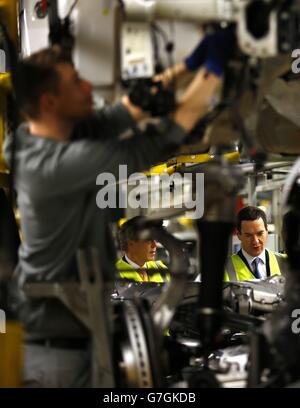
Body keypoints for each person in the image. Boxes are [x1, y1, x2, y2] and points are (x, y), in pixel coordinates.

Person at [3, 28, 233, 387]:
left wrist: (186, 67)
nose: (87, 88)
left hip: (75, 339)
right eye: (76, 82)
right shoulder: (58, 166)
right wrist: (215, 71)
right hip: (61, 359)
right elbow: (154, 144)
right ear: (49, 102)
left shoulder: (31, 138)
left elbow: (121, 113)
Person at [224, 206, 287, 281]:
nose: (255, 241)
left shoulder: (288, 262)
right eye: (248, 235)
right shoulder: (225, 268)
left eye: (260, 233)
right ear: (238, 235)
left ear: (267, 231)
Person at [116, 216, 168, 283]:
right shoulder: (115, 274)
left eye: (155, 239)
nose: (154, 245)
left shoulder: (161, 268)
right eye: (149, 240)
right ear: (130, 243)